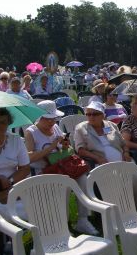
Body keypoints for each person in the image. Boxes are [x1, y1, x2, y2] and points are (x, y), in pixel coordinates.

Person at [24, 100, 98, 235]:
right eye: (48, 119)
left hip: (63, 166)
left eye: (54, 118)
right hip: (43, 171)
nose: (52, 122)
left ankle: (83, 219)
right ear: (39, 118)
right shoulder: (31, 132)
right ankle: (63, 223)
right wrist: (52, 147)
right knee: (62, 186)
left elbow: (66, 148)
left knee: (83, 180)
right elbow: (29, 157)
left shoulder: (56, 127)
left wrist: (65, 146)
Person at [0, 108, 30, 255]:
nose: (0, 125)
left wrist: (7, 181)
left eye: (4, 122)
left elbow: (25, 168)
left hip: (12, 185)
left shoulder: (16, 140)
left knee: (30, 207)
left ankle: (24, 248)